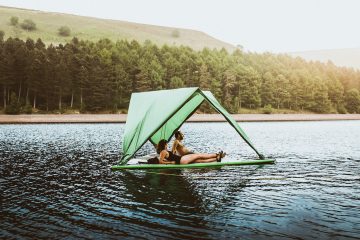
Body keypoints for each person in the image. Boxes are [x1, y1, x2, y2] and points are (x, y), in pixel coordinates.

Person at [157, 139, 226, 165]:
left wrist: (169, 159)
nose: (167, 145)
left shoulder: (163, 152)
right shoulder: (163, 151)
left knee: (199, 161)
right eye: (166, 144)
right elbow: (160, 161)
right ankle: (217, 154)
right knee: (199, 155)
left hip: (182, 161)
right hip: (182, 159)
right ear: (164, 145)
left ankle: (217, 159)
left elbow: (163, 159)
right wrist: (170, 162)